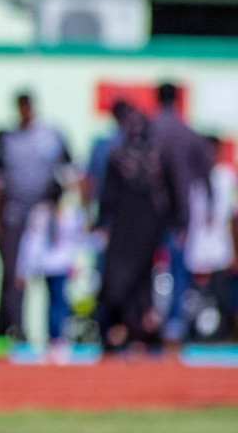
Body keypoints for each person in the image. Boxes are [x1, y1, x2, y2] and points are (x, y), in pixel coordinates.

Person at [0, 93, 71, 340]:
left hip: (45, 218)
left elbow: (72, 172)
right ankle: (15, 328)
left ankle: (55, 332)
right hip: (15, 217)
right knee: (14, 275)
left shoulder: (52, 136)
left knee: (53, 275)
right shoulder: (7, 139)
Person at [96, 110, 175, 353]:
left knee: (133, 279)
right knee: (131, 279)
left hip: (134, 228)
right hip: (139, 227)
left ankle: (134, 330)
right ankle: (128, 330)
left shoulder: (125, 156)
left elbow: (168, 193)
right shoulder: (150, 156)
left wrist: (102, 222)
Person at [150, 83, 206, 342]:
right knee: (178, 270)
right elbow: (204, 174)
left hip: (150, 212)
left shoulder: (151, 130)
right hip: (181, 214)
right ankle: (175, 324)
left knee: (146, 269)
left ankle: (148, 321)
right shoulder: (188, 133)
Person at [16, 180, 86, 360]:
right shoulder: (43, 214)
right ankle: (54, 339)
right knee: (55, 303)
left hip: (58, 265)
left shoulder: (67, 213)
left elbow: (76, 241)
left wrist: (25, 268)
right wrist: (24, 269)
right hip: (49, 265)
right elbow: (32, 242)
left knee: (57, 302)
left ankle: (57, 338)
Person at [183, 136, 236, 339]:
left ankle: (222, 335)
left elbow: (231, 215)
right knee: (196, 299)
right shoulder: (192, 176)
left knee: (221, 298)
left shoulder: (225, 177)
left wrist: (234, 249)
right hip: (197, 249)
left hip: (220, 248)